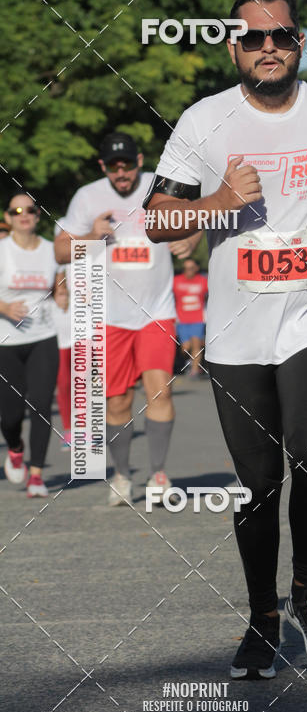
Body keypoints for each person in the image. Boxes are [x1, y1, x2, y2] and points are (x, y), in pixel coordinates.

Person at [145, 0, 307, 678]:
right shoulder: (204, 122)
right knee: (258, 483)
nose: (268, 47)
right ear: (234, 46)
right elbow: (159, 217)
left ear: (299, 42)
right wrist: (219, 200)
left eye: (281, 35)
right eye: (254, 37)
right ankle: (261, 617)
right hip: (236, 324)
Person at [55, 133, 200, 506]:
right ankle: (121, 475)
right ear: (104, 167)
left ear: (139, 160)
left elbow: (200, 213)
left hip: (157, 311)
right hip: (108, 316)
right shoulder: (88, 197)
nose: (122, 173)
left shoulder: (160, 186)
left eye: (128, 164)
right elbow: (59, 249)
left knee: (160, 390)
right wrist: (90, 236)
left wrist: (193, 239)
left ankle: (158, 474)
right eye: (114, 167)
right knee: (117, 402)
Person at [0, 194, 67, 497]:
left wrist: (64, 296)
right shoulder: (2, 250)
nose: (24, 214)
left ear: (38, 216)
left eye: (30, 209)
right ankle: (15, 447)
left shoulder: (51, 251)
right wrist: (4, 308)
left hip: (43, 337)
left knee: (41, 404)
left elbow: (58, 287)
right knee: (11, 414)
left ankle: (37, 475)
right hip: (6, 341)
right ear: (8, 217)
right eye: (17, 210)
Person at [51, 217, 73, 450]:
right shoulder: (54, 260)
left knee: (86, 379)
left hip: (84, 326)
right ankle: (69, 430)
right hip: (60, 327)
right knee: (63, 380)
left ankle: (86, 427)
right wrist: (59, 288)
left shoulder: (91, 257)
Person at [173, 258, 208, 377]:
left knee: (196, 344)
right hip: (181, 320)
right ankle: (191, 361)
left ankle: (194, 371)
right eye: (185, 269)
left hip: (198, 319)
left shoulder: (203, 281)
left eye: (191, 268)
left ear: (196, 269)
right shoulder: (176, 281)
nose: (188, 271)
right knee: (185, 347)